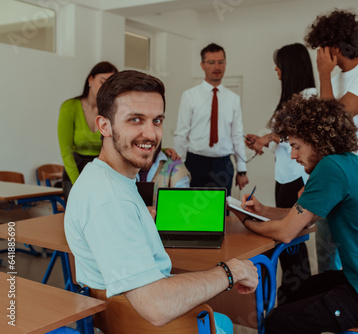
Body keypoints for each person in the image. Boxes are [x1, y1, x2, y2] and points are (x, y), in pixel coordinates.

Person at [64, 70, 258, 333]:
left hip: (125, 319)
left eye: (157, 121)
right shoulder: (110, 200)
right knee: (227, 321)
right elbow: (156, 306)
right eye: (135, 119)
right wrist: (230, 271)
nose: (151, 134)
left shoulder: (104, 180)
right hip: (149, 324)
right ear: (104, 126)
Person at [234, 95, 358, 334]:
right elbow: (304, 216)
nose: (292, 156)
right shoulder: (346, 163)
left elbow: (286, 232)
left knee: (277, 321)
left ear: (318, 141)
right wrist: (263, 211)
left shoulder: (331, 168)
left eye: (297, 146)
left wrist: (246, 221)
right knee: (296, 290)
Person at [304, 9, 358, 272]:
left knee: (352, 253)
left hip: (357, 176)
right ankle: (329, 306)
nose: (318, 55)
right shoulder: (337, 77)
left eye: (321, 47)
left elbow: (334, 121)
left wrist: (324, 75)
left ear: (335, 47)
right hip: (332, 173)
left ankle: (352, 306)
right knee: (326, 255)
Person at [244, 43, 316, 301]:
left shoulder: (310, 96)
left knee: (291, 238)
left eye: (280, 66)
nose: (277, 71)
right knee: (288, 243)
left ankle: (298, 295)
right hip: (284, 176)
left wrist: (268, 137)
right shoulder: (295, 97)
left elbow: (300, 138)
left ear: (291, 67)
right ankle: (291, 293)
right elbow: (285, 143)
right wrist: (265, 140)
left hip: (297, 178)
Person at [174, 43, 249, 197]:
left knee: (221, 212)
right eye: (211, 62)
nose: (217, 67)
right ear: (202, 65)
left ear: (225, 64)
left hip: (223, 164)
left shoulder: (233, 99)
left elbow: (237, 135)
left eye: (221, 62)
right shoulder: (190, 96)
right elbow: (181, 134)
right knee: (194, 211)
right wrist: (178, 167)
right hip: (195, 162)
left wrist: (242, 170)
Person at [58, 61, 118, 200]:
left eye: (110, 85)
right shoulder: (70, 107)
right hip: (74, 169)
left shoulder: (112, 110)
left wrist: (162, 150)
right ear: (90, 80)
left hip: (103, 170)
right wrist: (77, 182)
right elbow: (65, 151)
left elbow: (123, 140)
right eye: (102, 82)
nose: (105, 88)